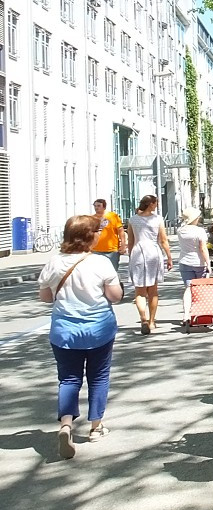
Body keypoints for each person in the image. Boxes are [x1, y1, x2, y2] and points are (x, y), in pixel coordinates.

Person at [39, 215, 124, 459]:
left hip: (64, 331)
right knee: (98, 376)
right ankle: (96, 426)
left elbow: (45, 297)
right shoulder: (100, 263)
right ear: (90, 236)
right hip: (98, 329)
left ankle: (66, 424)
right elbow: (115, 296)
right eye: (96, 232)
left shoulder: (54, 263)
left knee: (68, 379)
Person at [127, 195, 171, 335]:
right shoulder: (157, 219)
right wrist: (169, 257)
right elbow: (163, 240)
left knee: (139, 292)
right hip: (153, 252)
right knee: (153, 290)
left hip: (138, 252)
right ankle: (152, 321)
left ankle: (143, 318)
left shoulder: (133, 220)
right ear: (151, 204)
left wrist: (130, 257)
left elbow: (131, 241)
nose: (157, 205)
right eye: (156, 203)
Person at [176, 206, 212, 326]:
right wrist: (208, 263)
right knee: (200, 289)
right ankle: (201, 314)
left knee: (188, 289)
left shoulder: (180, 230)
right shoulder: (199, 231)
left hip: (184, 262)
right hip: (199, 263)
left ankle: (186, 315)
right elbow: (202, 248)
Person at [90, 199, 128, 270]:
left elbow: (120, 231)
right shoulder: (92, 218)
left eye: (99, 206)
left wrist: (123, 244)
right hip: (96, 250)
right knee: (98, 272)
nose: (96, 208)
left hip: (111, 250)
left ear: (104, 207)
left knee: (112, 271)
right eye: (95, 206)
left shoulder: (113, 216)